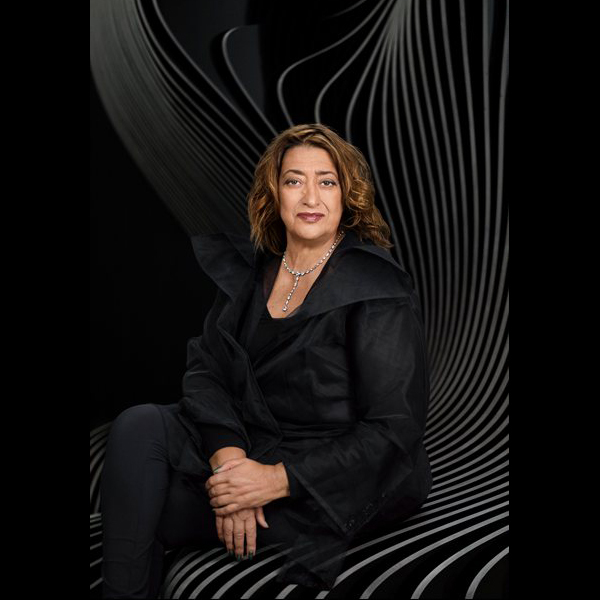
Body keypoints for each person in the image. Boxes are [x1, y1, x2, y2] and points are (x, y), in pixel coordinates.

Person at [100, 123, 432, 598]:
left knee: (150, 504)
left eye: (327, 181)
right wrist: (231, 465)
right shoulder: (255, 271)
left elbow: (394, 430)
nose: (310, 197)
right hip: (253, 442)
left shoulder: (374, 288)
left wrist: (274, 480)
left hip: (339, 467)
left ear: (348, 196)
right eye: (294, 180)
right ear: (274, 194)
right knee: (138, 425)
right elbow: (207, 370)